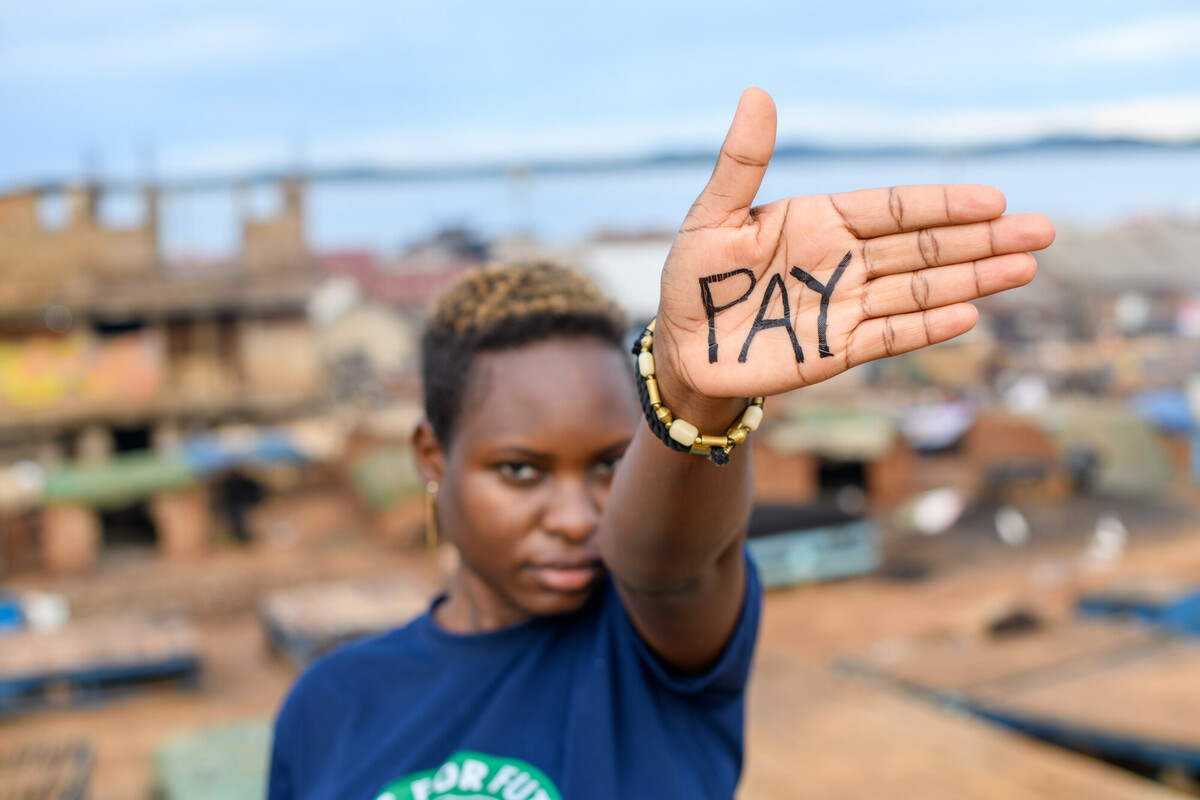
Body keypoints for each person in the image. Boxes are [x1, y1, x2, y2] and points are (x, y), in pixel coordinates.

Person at [268, 88, 1055, 800]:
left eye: (613, 462)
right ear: (432, 459)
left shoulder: (649, 643)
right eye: (521, 470)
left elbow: (668, 562)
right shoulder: (333, 704)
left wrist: (696, 397)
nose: (576, 516)